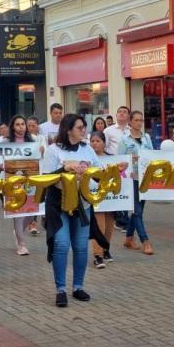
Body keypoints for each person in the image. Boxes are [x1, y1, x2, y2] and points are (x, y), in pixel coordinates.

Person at [43, 114, 99, 307]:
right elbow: (46, 178)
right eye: (79, 128)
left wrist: (91, 172)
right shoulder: (53, 150)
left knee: (81, 246)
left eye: (84, 127)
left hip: (82, 204)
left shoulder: (88, 149)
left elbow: (98, 174)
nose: (83, 131)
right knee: (61, 244)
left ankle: (78, 286)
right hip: (59, 205)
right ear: (68, 130)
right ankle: (61, 289)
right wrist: (64, 169)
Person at [118, 110, 155, 255]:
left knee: (137, 211)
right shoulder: (125, 140)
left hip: (144, 178)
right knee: (137, 211)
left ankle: (128, 238)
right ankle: (145, 241)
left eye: (141, 120)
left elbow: (152, 154)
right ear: (130, 122)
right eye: (136, 120)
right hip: (131, 179)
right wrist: (129, 160)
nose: (139, 123)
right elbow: (119, 160)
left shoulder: (146, 138)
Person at [8, 115, 37, 254]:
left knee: (31, 213)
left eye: (23, 124)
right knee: (17, 213)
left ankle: (18, 232)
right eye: (18, 124)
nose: (21, 126)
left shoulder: (34, 142)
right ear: (13, 127)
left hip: (30, 182)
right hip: (13, 182)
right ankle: (21, 243)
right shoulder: (6, 143)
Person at [89, 131, 115, 268]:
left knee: (109, 227)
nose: (95, 144)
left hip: (111, 198)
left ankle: (106, 249)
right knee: (99, 226)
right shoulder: (87, 159)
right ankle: (97, 255)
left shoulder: (112, 158)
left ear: (104, 143)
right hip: (95, 198)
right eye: (92, 141)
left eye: (98, 141)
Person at [104, 106, 131, 232]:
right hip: (113, 164)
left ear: (128, 116)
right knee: (115, 190)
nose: (121, 114)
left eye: (124, 112)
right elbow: (105, 147)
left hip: (127, 166)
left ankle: (123, 218)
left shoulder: (131, 131)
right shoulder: (108, 131)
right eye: (119, 111)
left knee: (125, 190)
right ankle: (118, 218)